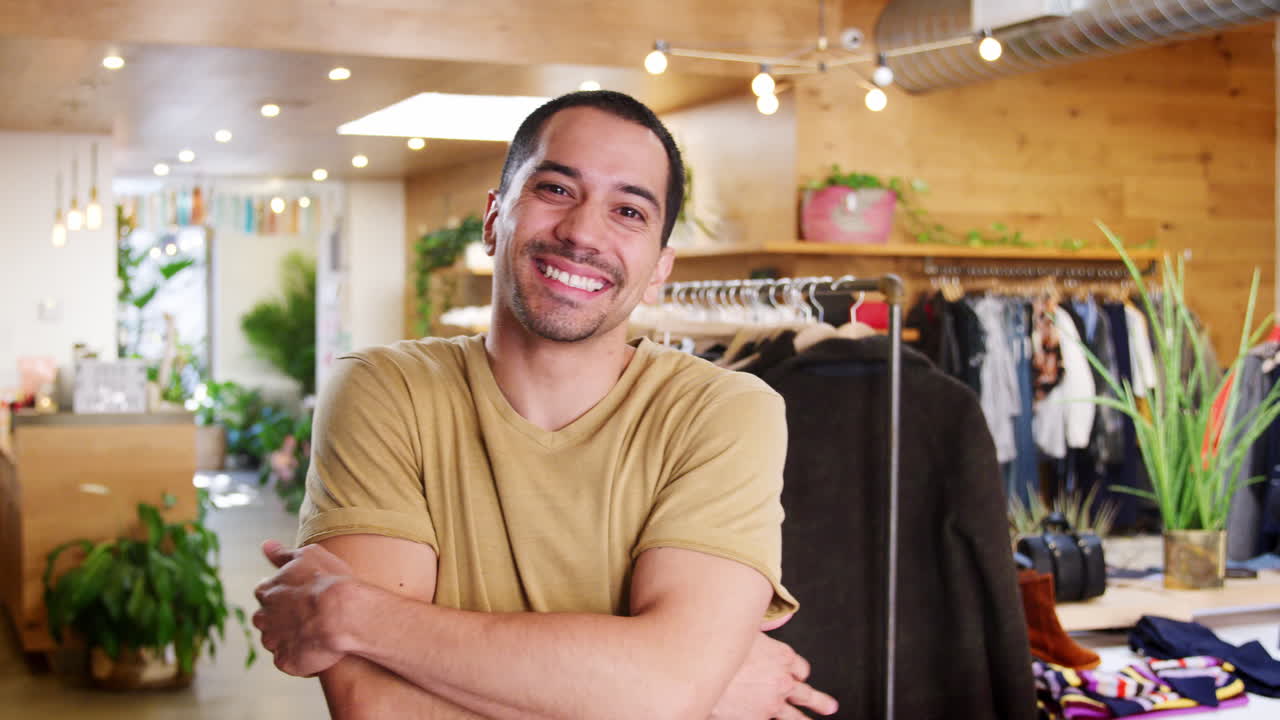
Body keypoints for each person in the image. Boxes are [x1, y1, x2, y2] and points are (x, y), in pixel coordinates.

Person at [252, 90, 837, 720]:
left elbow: (666, 688)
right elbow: (376, 704)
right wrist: (670, 688)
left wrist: (353, 615)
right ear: (493, 218)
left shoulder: (723, 412)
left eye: (630, 211)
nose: (583, 231)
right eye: (556, 189)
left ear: (660, 266)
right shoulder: (385, 391)